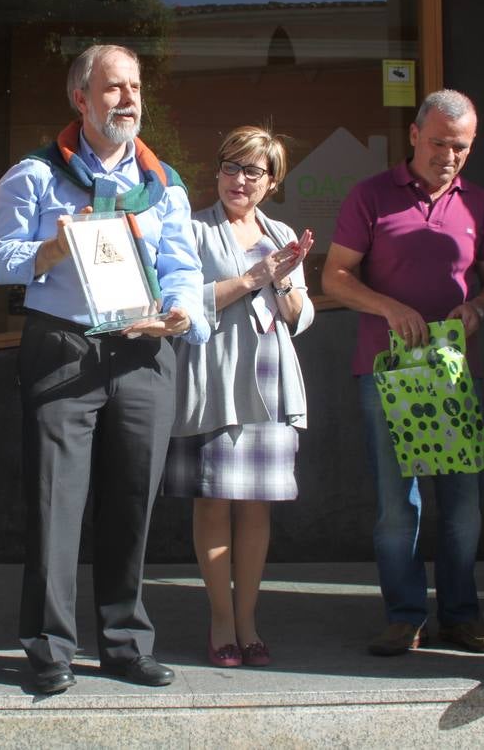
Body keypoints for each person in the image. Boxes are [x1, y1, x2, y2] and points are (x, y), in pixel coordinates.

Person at [0, 44, 209, 695]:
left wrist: (177, 314)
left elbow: (183, 269)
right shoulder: (31, 177)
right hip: (63, 346)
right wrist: (57, 244)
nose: (128, 99)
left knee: (131, 502)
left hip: (144, 353)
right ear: (80, 98)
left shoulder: (164, 183)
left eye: (134, 86)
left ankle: (123, 643)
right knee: (56, 503)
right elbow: (1, 263)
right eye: (113, 88)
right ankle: (50, 648)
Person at [322, 89, 484, 657]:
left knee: (463, 504)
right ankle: (404, 615)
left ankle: (459, 615)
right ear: (414, 135)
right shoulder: (371, 196)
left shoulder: (480, 204)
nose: (448, 156)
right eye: (438, 143)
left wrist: (478, 308)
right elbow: (334, 277)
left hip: (452, 374)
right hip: (387, 372)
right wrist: (389, 308)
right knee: (397, 505)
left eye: (461, 147)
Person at [163, 126, 315, 668]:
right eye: (231, 166)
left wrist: (288, 282)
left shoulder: (280, 232)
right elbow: (181, 305)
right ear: (217, 170)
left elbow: (302, 317)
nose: (239, 180)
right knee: (214, 503)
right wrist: (256, 277)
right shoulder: (193, 229)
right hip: (217, 378)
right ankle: (221, 622)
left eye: (253, 171)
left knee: (257, 508)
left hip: (272, 379)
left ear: (271, 182)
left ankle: (249, 621)